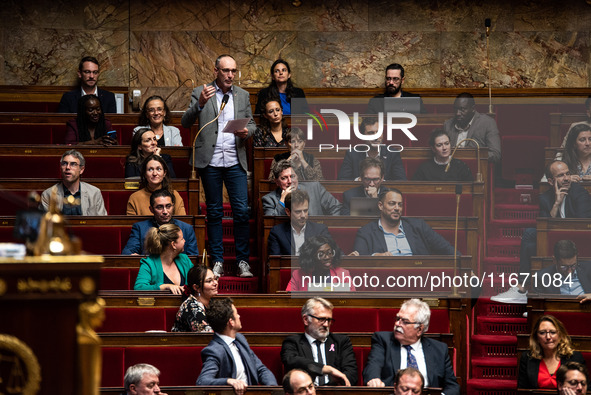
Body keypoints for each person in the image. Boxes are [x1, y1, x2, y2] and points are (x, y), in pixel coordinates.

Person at [181, 54, 255, 279]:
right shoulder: (201, 92)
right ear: (216, 71)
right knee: (213, 212)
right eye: (226, 71)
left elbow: (252, 124)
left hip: (235, 160)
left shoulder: (242, 95)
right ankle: (218, 261)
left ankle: (242, 262)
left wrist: (247, 132)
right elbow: (185, 122)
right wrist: (200, 103)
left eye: (233, 71)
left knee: (241, 212)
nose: (230, 75)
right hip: (210, 161)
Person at [492, 160, 591, 304]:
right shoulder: (546, 198)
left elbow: (581, 226)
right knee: (530, 238)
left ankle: (522, 287)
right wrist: (556, 203)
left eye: (568, 174)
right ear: (551, 181)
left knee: (530, 235)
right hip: (554, 242)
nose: (566, 178)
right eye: (561, 175)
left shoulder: (579, 193)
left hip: (576, 244)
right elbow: (544, 227)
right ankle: (522, 288)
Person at [363, 299, 460, 395]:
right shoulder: (383, 341)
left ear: (419, 329)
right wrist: (373, 378)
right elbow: (373, 364)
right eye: (398, 319)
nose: (397, 324)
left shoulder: (439, 349)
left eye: (405, 322)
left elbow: (453, 387)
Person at [196, 297, 278, 393]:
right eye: (236, 313)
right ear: (231, 322)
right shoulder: (215, 350)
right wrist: (228, 381)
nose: (239, 316)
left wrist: (273, 388)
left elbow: (260, 369)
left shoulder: (240, 339)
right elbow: (202, 381)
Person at [352, 189, 455, 256]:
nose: (397, 208)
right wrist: (376, 256)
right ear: (380, 206)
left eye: (400, 205)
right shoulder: (366, 232)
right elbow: (359, 259)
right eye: (392, 204)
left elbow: (445, 248)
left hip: (418, 277)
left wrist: (466, 269)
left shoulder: (418, 226)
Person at [281, 297, 357, 385]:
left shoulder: (341, 342)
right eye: (321, 319)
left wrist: (326, 389)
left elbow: (352, 374)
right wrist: (325, 369)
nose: (326, 324)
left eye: (329, 320)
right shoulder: (292, 342)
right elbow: (291, 361)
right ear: (306, 320)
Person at [518, 315, 586, 389]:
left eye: (553, 332)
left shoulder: (575, 357)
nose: (548, 337)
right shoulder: (527, 357)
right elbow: (523, 389)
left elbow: (585, 388)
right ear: (536, 337)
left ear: (560, 335)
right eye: (542, 333)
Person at [122, 189, 197, 255]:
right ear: (151, 209)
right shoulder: (140, 228)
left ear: (173, 207)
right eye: (159, 207)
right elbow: (127, 253)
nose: (165, 211)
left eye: (168, 206)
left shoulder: (186, 228)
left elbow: (193, 258)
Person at [337, 116, 406, 181]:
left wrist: (378, 182)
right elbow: (342, 181)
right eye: (371, 133)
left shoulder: (392, 154)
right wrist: (359, 181)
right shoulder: (352, 154)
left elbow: (401, 181)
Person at [262, 160, 341, 216]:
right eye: (284, 178)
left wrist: (328, 228)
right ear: (277, 182)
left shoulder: (315, 188)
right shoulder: (269, 200)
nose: (290, 181)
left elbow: (336, 207)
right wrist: (282, 201)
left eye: (292, 176)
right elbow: (271, 224)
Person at [41, 149, 107, 215]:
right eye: (64, 163)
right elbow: (45, 223)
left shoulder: (94, 193)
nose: (67, 167)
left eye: (73, 164)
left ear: (81, 170)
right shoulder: (48, 195)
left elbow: (102, 222)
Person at [133, 223, 193, 295]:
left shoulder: (184, 259)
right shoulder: (149, 263)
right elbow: (139, 288)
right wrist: (164, 287)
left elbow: (197, 281)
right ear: (173, 244)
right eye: (182, 239)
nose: (184, 241)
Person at [267, 189, 330, 256]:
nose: (303, 216)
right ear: (288, 212)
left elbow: (334, 254)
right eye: (298, 212)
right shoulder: (277, 232)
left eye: (305, 211)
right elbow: (275, 263)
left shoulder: (320, 230)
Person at [442, 92, 501, 163]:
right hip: (451, 168)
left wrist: (469, 157)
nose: (457, 113)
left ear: (473, 109)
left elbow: (495, 154)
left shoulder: (487, 123)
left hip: (476, 168)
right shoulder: (448, 124)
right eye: (455, 109)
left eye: (462, 109)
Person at [286, 236, 354, 292]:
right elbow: (289, 299)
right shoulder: (298, 275)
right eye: (321, 254)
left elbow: (352, 301)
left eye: (329, 253)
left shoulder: (343, 274)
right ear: (311, 257)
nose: (327, 257)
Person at [171, 265, 218, 332]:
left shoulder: (212, 302)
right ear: (196, 287)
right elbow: (207, 336)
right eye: (209, 281)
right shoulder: (191, 307)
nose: (215, 283)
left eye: (215, 279)